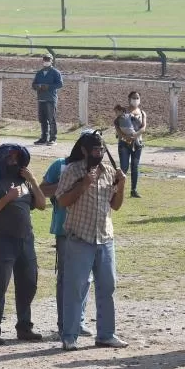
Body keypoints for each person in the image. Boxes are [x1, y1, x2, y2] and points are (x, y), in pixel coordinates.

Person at [55, 130, 128, 351]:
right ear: (85, 150)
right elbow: (62, 202)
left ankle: (106, 334)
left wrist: (122, 185)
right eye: (95, 150)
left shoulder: (108, 172)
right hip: (79, 237)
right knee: (75, 289)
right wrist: (83, 185)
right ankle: (69, 336)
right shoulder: (71, 170)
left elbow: (115, 205)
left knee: (107, 287)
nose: (100, 153)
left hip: (105, 238)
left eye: (102, 149)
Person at [0, 143, 46, 344]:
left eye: (17, 158)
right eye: (10, 158)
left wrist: (33, 180)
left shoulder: (24, 182)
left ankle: (24, 327)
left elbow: (42, 204)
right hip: (2, 240)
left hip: (25, 240)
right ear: (2, 160)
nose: (14, 162)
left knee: (28, 284)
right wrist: (7, 198)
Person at [41, 138, 93, 339]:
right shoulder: (60, 166)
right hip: (65, 229)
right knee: (65, 278)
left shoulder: (97, 169)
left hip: (89, 229)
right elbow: (43, 189)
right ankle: (64, 324)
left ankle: (78, 321)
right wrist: (68, 185)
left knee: (85, 278)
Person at [115, 91, 147, 198]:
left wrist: (136, 135)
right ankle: (117, 189)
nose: (136, 100)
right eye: (134, 98)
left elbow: (143, 127)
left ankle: (134, 190)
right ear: (129, 99)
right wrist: (124, 137)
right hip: (124, 143)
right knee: (124, 167)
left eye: (137, 98)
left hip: (137, 144)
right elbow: (116, 124)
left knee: (135, 166)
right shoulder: (123, 111)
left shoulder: (142, 113)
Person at [31, 54, 62, 145]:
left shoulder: (56, 72)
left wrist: (48, 87)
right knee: (42, 119)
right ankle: (44, 138)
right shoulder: (39, 73)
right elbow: (33, 84)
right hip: (41, 98)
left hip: (50, 99)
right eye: (45, 59)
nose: (46, 61)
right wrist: (37, 86)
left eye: (48, 59)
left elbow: (60, 84)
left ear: (51, 61)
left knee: (51, 119)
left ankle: (52, 138)